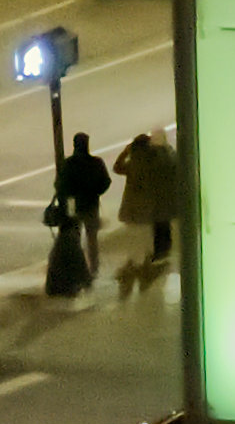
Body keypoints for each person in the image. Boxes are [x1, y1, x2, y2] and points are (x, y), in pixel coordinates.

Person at [111, 128, 178, 300]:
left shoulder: (133, 163)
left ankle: (134, 269)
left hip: (130, 209)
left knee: (135, 241)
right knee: (146, 242)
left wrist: (125, 151)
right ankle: (145, 271)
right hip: (147, 209)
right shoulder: (152, 162)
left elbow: (117, 167)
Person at [46, 132, 110, 299]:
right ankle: (93, 267)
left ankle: (79, 267)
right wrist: (95, 191)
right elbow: (105, 182)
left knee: (74, 234)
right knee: (92, 237)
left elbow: (59, 185)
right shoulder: (96, 163)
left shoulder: (69, 164)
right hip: (90, 204)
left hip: (74, 205)